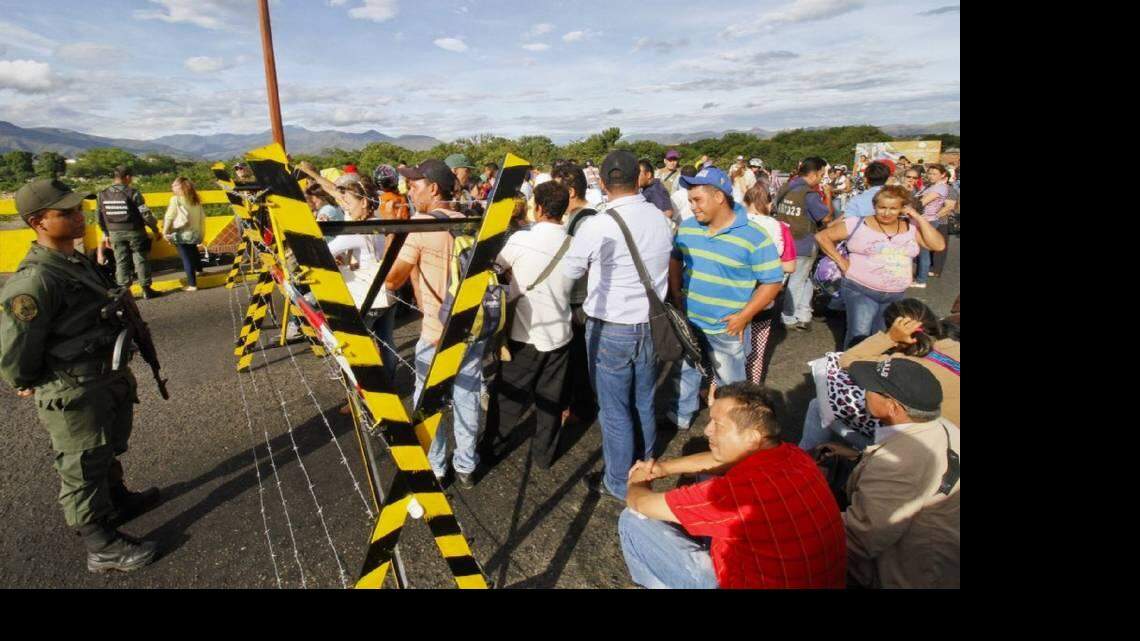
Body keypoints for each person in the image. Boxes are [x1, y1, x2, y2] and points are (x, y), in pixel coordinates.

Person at [1, 179, 161, 573]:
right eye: (67, 212)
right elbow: (15, 348)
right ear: (38, 221)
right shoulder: (35, 281)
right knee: (82, 461)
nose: (79, 216)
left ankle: (116, 499)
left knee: (104, 447)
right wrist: (26, 380)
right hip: (72, 386)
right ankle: (99, 543)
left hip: (99, 377)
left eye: (77, 209)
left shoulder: (75, 261)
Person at [619, 382, 847, 589]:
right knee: (706, 476)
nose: (707, 430)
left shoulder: (734, 494)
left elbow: (642, 503)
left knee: (632, 521)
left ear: (752, 437)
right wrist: (663, 468)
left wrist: (639, 478)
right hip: (808, 577)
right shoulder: (794, 456)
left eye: (717, 424)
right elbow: (718, 460)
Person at [563, 150, 674, 501]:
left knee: (614, 411)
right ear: (638, 177)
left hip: (611, 327)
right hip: (650, 325)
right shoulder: (659, 217)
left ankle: (617, 482)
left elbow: (570, 271)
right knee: (643, 399)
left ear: (602, 182)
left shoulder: (598, 223)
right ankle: (645, 463)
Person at [381, 160, 484, 488]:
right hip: (472, 326)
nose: (409, 190)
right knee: (468, 394)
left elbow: (394, 279)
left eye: (415, 185)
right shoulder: (470, 221)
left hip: (435, 331)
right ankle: (467, 464)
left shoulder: (422, 225)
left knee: (426, 397)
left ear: (434, 188)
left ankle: (437, 466)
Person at [816, 359, 960, 589]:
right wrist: (859, 456)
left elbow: (859, 537)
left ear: (893, 407)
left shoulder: (899, 462)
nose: (864, 392)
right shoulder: (941, 425)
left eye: (872, 389)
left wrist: (801, 517)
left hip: (905, 575)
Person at [667, 167, 783, 431]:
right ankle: (680, 417)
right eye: (690, 200)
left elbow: (772, 281)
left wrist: (744, 316)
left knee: (731, 384)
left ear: (719, 197)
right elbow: (676, 257)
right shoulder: (688, 228)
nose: (692, 207)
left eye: (697, 200)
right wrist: (676, 294)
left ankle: (733, 429)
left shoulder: (753, 236)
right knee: (685, 370)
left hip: (727, 326)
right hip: (690, 321)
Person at [799, 298, 961, 454]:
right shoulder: (955, 347)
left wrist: (888, 338)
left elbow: (847, 360)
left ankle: (805, 460)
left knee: (819, 406)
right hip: (950, 443)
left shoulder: (899, 364)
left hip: (917, 449)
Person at [489, 181, 575, 468]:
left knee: (508, 399)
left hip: (523, 333)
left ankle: (492, 448)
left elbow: (495, 270)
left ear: (537, 207)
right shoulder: (573, 243)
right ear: (563, 209)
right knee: (550, 401)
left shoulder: (520, 240)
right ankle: (544, 456)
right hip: (561, 334)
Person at [816, 185, 946, 348]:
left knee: (885, 339)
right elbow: (822, 237)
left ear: (902, 208)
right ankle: (851, 368)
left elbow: (938, 245)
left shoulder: (911, 228)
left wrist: (917, 217)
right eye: (882, 207)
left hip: (895, 295)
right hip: (860, 289)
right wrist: (842, 263)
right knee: (859, 335)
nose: (886, 213)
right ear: (874, 206)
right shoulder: (857, 223)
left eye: (893, 208)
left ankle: (873, 371)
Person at [551, 163, 598, 424]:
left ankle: (582, 408)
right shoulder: (578, 217)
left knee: (579, 356)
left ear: (569, 191)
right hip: (576, 297)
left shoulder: (585, 220)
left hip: (580, 299)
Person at [741, 183, 795, 384]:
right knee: (756, 349)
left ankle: (717, 391)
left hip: (733, 296)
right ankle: (752, 388)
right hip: (764, 295)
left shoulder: (733, 224)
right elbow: (790, 266)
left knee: (726, 350)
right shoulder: (780, 227)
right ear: (770, 203)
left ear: (745, 202)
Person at [773, 156, 832, 331]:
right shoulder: (809, 194)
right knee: (797, 281)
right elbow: (826, 217)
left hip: (784, 240)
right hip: (803, 242)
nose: (822, 179)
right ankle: (788, 317)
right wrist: (828, 195)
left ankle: (804, 313)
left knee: (804, 279)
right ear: (813, 174)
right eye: (821, 175)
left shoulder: (785, 188)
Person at [97, 165, 162, 299]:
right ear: (127, 177)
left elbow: (99, 217)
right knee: (140, 259)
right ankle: (146, 290)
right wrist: (155, 229)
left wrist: (106, 234)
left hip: (114, 233)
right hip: (135, 232)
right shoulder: (133, 193)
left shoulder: (102, 194)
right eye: (131, 177)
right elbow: (146, 215)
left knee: (121, 261)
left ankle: (124, 292)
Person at [162, 177, 205, 292]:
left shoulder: (175, 199)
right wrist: (201, 233)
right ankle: (200, 270)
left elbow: (169, 216)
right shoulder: (195, 199)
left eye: (174, 185)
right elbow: (202, 217)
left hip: (182, 234)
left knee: (186, 258)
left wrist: (165, 231)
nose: (172, 187)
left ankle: (192, 284)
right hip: (195, 233)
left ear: (180, 187)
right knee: (193, 251)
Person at [913, 164, 950, 288]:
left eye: (934, 174)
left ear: (942, 175)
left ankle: (921, 280)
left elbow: (921, 203)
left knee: (924, 251)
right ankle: (919, 277)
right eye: (929, 173)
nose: (931, 176)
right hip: (922, 220)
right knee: (920, 250)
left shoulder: (941, 187)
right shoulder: (930, 186)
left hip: (928, 221)